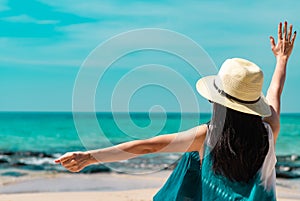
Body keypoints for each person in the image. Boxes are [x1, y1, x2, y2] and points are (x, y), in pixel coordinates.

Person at [55, 22, 296, 200]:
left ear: (219, 102)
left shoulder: (207, 136)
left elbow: (148, 145)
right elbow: (276, 93)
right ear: (253, 104)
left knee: (193, 157)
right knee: (194, 157)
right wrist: (282, 60)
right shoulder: (268, 131)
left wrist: (89, 157)